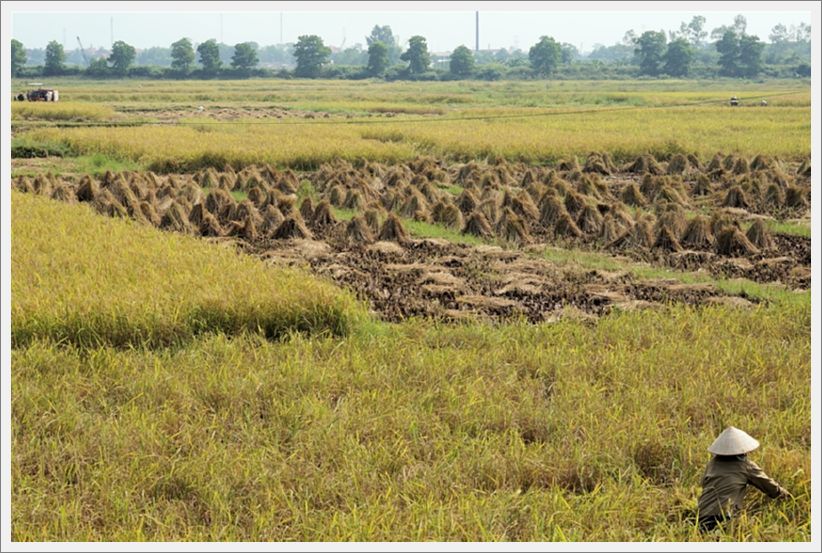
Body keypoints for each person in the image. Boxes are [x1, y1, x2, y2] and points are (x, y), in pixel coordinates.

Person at [697, 427, 790, 532]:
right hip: (725, 516)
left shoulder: (711, 464)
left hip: (701, 516)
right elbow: (771, 488)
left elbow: (703, 484)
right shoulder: (746, 466)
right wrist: (789, 497)